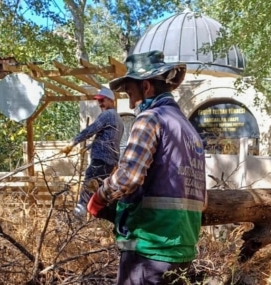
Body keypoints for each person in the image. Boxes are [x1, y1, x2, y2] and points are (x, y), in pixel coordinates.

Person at [85, 50, 207, 285]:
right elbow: (203, 200)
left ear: (147, 87)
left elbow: (128, 178)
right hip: (182, 250)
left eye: (131, 93)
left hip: (149, 248)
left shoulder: (150, 118)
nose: (130, 102)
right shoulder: (189, 130)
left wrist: (99, 198)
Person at [60, 87, 124, 218]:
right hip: (110, 163)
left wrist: (73, 143)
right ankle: (104, 217)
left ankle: (77, 218)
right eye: (98, 101)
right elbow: (108, 140)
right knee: (100, 192)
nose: (100, 104)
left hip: (100, 160)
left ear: (111, 100)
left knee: (88, 186)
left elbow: (91, 130)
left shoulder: (107, 115)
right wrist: (90, 146)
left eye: (102, 100)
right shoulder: (118, 119)